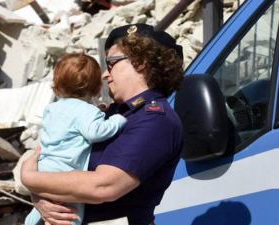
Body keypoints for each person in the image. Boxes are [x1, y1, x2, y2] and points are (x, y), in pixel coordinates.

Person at [20, 23, 184, 225]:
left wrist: (29, 178)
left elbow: (103, 186)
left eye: (112, 63)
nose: (106, 74)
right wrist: (41, 198)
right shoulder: (116, 113)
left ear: (140, 62)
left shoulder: (155, 120)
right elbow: (60, 163)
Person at [24, 53, 127, 225]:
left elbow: (70, 125)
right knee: (70, 215)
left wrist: (97, 111)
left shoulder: (52, 109)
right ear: (96, 89)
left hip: (45, 168)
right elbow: (96, 132)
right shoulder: (87, 112)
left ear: (56, 86)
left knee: (44, 209)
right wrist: (118, 120)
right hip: (66, 172)